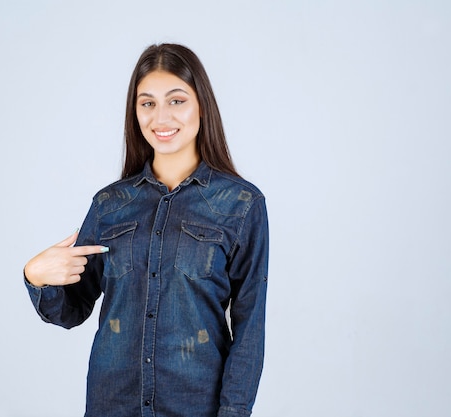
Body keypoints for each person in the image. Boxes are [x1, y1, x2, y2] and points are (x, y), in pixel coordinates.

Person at [24, 43, 269, 417]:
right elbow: (73, 310)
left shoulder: (240, 204)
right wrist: (37, 278)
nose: (161, 117)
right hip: (112, 404)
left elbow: (250, 329)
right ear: (135, 112)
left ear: (201, 104)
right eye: (147, 103)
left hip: (194, 406)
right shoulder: (110, 205)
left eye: (176, 100)